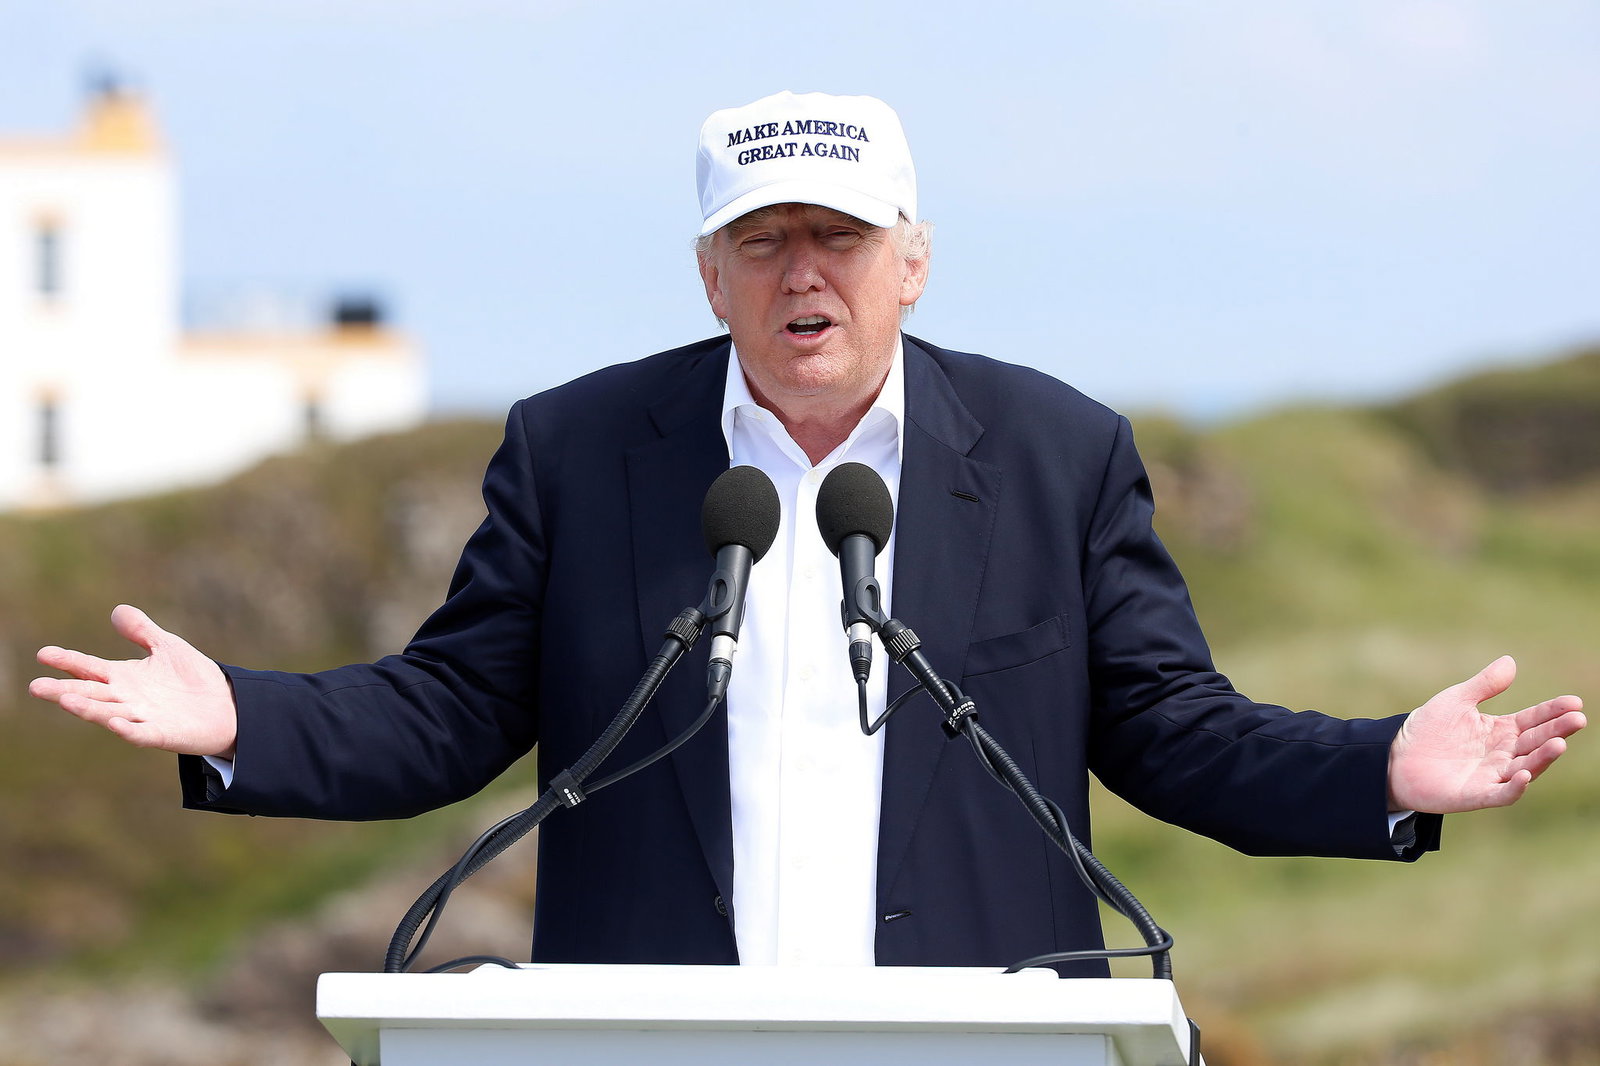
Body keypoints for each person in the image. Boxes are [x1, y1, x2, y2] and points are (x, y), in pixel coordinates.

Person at [30, 91, 1585, 973]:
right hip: (659, 1035)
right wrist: (243, 714)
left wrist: (1381, 765)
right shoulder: (578, 451)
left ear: (914, 261)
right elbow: (450, 712)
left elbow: (1173, 732)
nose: (801, 273)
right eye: (759, 240)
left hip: (971, 1031)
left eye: (837, 236)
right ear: (708, 276)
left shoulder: (1055, 455)